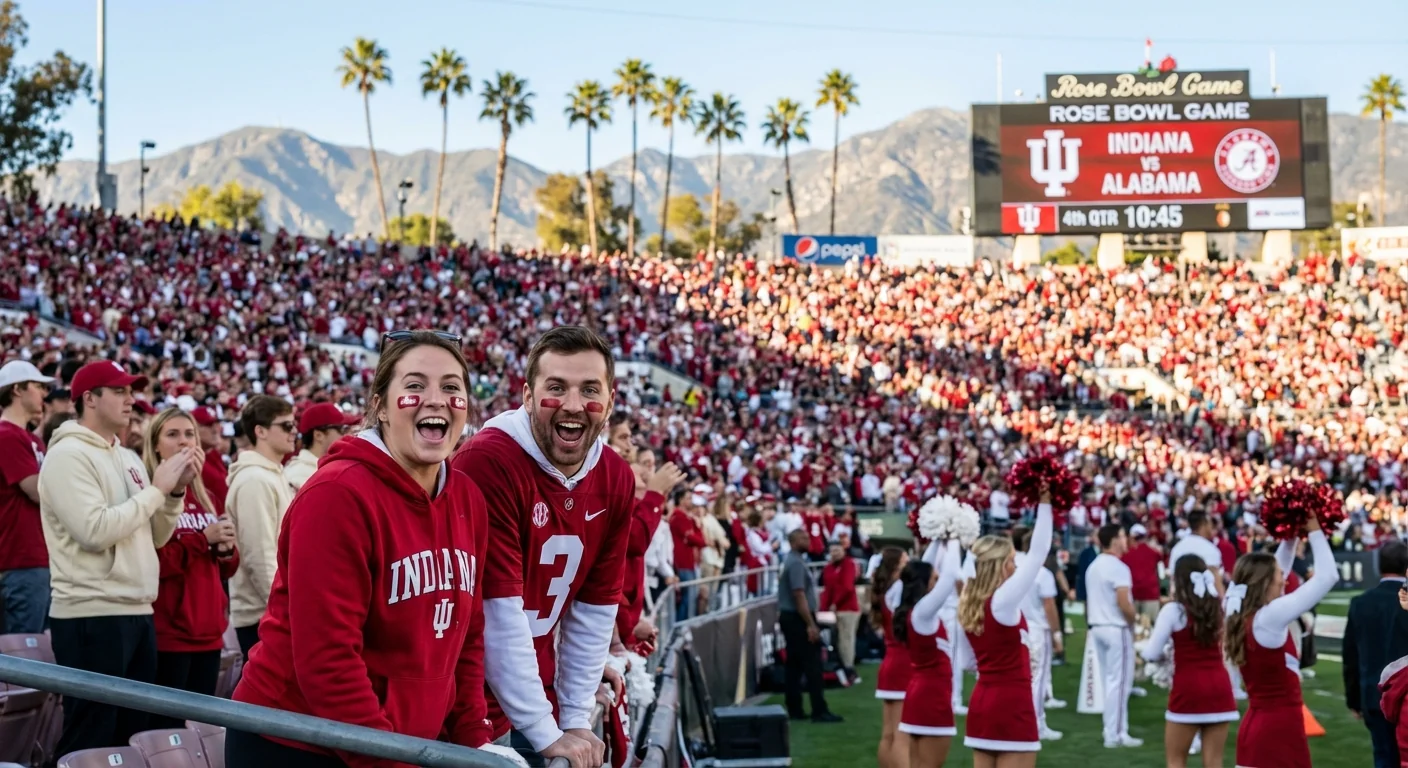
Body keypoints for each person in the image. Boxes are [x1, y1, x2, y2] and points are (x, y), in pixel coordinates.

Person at [231, 330, 496, 767]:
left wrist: (472, 737)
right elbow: (328, 661)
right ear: (379, 407)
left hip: (395, 745)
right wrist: (388, 761)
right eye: (414, 386)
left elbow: (466, 635)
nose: (436, 399)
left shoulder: (467, 497)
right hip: (296, 740)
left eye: (452, 386)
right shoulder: (336, 494)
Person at [452, 326, 634, 768]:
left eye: (589, 389)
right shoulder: (489, 460)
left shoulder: (614, 476)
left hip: (532, 689)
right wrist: (546, 730)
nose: (573, 405)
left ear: (609, 401)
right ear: (528, 396)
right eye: (557, 388)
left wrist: (574, 719)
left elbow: (593, 612)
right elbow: (498, 613)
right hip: (463, 699)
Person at [39, 360, 196, 756]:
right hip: (90, 612)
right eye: (120, 391)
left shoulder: (125, 456)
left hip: (136, 607)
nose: (131, 399)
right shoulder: (68, 455)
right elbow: (94, 531)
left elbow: (155, 535)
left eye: (131, 391)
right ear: (89, 399)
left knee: (127, 736)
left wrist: (173, 494)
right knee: (91, 737)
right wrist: (157, 490)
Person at [145, 407, 240, 730]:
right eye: (172, 435)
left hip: (209, 632)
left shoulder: (206, 494)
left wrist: (226, 551)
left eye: (189, 434)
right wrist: (202, 540)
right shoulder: (150, 494)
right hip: (169, 634)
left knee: (198, 731)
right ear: (155, 445)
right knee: (165, 731)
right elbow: (152, 563)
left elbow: (225, 570)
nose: (184, 442)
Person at [1225, 512, 1336, 768]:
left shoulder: (1240, 609)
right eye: (1278, 575)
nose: (1283, 578)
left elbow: (1279, 566)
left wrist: (1291, 535)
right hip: (1276, 733)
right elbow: (1327, 576)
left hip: (1262, 726)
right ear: (1264, 583)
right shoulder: (1269, 618)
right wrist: (1315, 529)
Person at [959, 493, 1051, 767]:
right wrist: (1044, 499)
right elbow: (1038, 553)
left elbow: (966, 662)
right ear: (999, 566)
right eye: (1011, 560)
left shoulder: (968, 604)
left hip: (981, 703)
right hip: (1012, 704)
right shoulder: (1001, 602)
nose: (1016, 566)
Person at [1141, 555, 1237, 768]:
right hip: (1220, 688)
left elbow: (1150, 653)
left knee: (1176, 761)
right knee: (1214, 763)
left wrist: (1166, 654)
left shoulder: (1173, 611)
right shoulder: (1218, 608)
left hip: (1188, 689)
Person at [227, 395, 297, 658]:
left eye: (294, 425)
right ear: (260, 431)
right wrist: (284, 610)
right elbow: (260, 554)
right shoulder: (254, 480)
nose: (294, 432)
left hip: (272, 610)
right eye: (287, 426)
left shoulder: (271, 474)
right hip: (263, 614)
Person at [894, 539, 961, 767]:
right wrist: (954, 539)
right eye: (934, 578)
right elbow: (950, 576)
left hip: (920, 693)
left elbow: (922, 567)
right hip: (932, 696)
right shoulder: (923, 612)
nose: (938, 580)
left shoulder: (916, 610)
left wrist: (937, 540)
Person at [0, 360, 55, 634]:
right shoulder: (6, 435)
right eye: (37, 386)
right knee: (24, 652)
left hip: (36, 556)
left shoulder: (31, 439)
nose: (43, 394)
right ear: (17, 390)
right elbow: (36, 490)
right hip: (20, 558)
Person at [1344, 541, 1408, 768]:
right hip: (1404, 696)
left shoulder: (1361, 603)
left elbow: (1350, 656)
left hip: (1373, 695)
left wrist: (1353, 699)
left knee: (1383, 757)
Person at [777, 528, 841, 724]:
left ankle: (795, 708)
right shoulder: (796, 563)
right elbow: (799, 594)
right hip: (797, 617)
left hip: (792, 616)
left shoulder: (793, 561)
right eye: (804, 538)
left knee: (794, 666)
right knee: (812, 664)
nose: (808, 541)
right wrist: (810, 624)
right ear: (794, 541)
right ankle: (819, 709)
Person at [1086, 523, 1141, 749]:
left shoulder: (1094, 566)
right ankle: (1116, 733)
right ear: (1115, 540)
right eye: (1122, 536)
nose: (1125, 540)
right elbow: (1123, 602)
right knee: (1119, 683)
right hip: (1115, 627)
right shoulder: (1119, 567)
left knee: (1110, 681)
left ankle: (1113, 729)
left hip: (1097, 626)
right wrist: (1133, 620)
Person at [1012, 526, 1062, 741]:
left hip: (1015, 626)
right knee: (1038, 678)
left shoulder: (1012, 567)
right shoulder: (1042, 573)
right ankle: (1036, 725)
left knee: (1021, 678)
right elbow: (1049, 606)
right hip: (1037, 628)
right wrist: (1057, 634)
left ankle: (1021, 721)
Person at [870, 546, 912, 767]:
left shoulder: (887, 589)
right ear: (896, 566)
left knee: (888, 734)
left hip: (890, 663)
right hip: (902, 664)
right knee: (901, 735)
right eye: (906, 562)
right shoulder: (898, 589)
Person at [284, 402, 359, 491]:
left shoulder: (328, 466)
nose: (348, 435)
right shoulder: (299, 475)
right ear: (318, 435)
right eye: (343, 429)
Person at [820, 539, 861, 679]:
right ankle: (840, 668)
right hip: (833, 610)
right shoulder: (828, 568)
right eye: (832, 551)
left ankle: (849, 669)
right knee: (836, 641)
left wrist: (835, 604)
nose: (835, 553)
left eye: (837, 550)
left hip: (848, 608)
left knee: (846, 639)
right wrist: (824, 608)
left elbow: (847, 587)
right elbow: (827, 590)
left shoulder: (848, 564)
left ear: (843, 550)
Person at [670, 486, 708, 621]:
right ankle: (681, 629)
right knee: (687, 598)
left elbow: (701, 540)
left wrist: (697, 526)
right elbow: (698, 540)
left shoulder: (688, 518)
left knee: (690, 598)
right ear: (680, 500)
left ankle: (684, 626)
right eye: (688, 498)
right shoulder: (679, 517)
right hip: (682, 563)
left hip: (690, 562)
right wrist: (696, 531)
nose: (691, 501)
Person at [1123, 523, 1163, 626]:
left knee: (1133, 629)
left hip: (1133, 594)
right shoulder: (1153, 552)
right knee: (1150, 629)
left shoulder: (1126, 554)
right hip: (1150, 594)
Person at [192, 406, 229, 515]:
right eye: (208, 425)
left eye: (215, 424)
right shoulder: (190, 459)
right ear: (193, 429)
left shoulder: (213, 454)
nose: (215, 430)